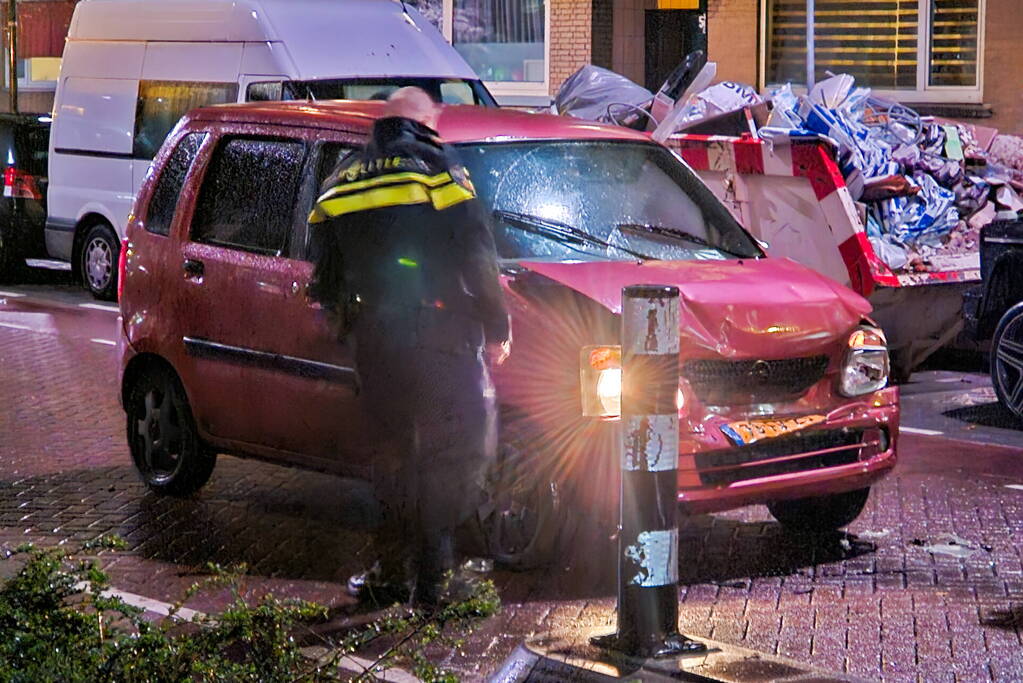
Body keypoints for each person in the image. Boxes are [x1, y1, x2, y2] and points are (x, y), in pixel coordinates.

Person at [307, 87, 511, 606]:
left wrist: (344, 322)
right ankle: (436, 579)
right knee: (450, 451)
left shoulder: (343, 176)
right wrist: (497, 328)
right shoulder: (439, 168)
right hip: (440, 334)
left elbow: (323, 266)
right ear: (423, 120)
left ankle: (393, 571)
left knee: (393, 454)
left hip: (377, 338)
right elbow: (477, 252)